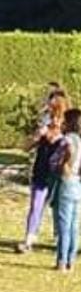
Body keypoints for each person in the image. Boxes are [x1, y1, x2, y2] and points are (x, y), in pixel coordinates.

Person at [16, 89, 69, 254]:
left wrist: (56, 135)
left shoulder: (69, 128)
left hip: (59, 174)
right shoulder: (44, 125)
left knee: (59, 208)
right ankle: (29, 239)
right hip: (41, 171)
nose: (50, 115)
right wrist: (37, 137)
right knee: (36, 205)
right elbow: (25, 147)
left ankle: (59, 239)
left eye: (53, 110)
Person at [51, 108, 81, 273]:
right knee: (74, 225)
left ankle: (61, 260)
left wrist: (63, 164)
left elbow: (56, 160)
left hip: (66, 180)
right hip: (77, 182)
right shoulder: (80, 140)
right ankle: (71, 260)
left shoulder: (67, 140)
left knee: (63, 223)